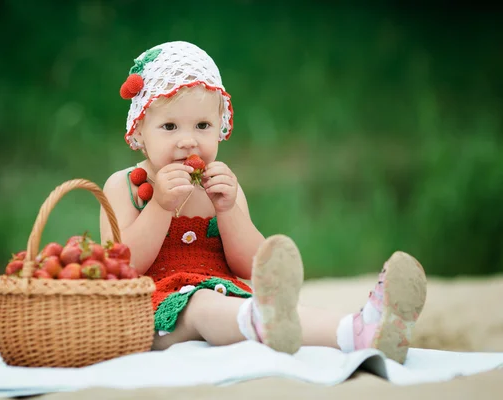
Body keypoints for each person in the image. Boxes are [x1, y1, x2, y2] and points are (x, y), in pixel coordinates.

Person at [100, 41, 427, 364]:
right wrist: (159, 207)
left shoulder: (221, 188)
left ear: (220, 126)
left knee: (281, 309)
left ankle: (359, 331)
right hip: (154, 311)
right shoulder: (125, 187)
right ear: (140, 130)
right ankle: (260, 323)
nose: (188, 140)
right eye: (169, 126)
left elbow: (247, 265)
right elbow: (122, 269)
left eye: (203, 125)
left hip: (226, 296)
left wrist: (227, 211)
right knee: (199, 304)